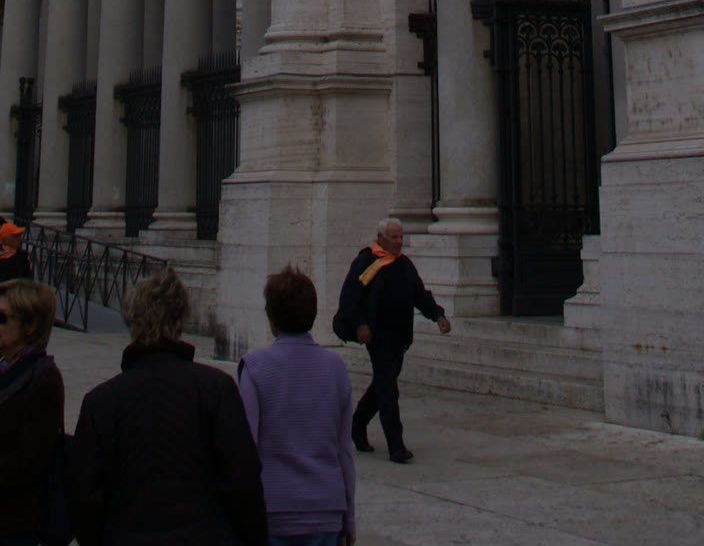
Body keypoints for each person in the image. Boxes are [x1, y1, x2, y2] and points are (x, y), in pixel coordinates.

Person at [68, 267, 267, 546]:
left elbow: (84, 495)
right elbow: (243, 481)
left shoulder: (101, 402)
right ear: (180, 324)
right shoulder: (216, 389)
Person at [239, 265, 355, 546]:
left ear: (272, 319)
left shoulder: (254, 369)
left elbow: (246, 449)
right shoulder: (336, 369)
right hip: (326, 510)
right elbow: (344, 452)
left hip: (273, 510)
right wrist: (349, 519)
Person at [334, 216, 450, 463]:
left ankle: (357, 424)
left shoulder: (404, 265)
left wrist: (437, 315)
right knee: (388, 389)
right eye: (394, 237)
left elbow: (420, 295)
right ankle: (396, 446)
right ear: (381, 238)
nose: (399, 242)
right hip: (378, 337)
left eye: (401, 237)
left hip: (399, 338)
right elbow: (350, 299)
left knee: (382, 386)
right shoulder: (366, 262)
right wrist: (360, 324)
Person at [0, 279, 64, 545]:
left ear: (30, 326)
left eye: (2, 318)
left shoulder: (43, 379)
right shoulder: (2, 369)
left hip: (15, 525)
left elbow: (30, 460)